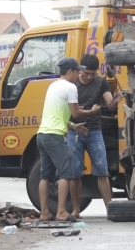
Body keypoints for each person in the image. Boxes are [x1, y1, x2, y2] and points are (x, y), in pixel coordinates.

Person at [37, 57, 100, 222]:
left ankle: (44, 213)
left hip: (42, 135)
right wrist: (92, 112)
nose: (78, 74)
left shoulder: (53, 86)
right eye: (77, 71)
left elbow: (58, 114)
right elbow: (76, 112)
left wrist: (74, 127)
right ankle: (61, 212)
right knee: (66, 174)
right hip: (55, 136)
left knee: (45, 176)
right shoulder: (71, 87)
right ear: (71, 71)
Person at [67, 54, 123, 219]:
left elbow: (110, 104)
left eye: (93, 73)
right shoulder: (71, 85)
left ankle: (110, 210)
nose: (90, 77)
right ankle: (76, 210)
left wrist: (117, 99)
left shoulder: (101, 82)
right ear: (80, 70)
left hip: (94, 131)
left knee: (102, 171)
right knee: (75, 173)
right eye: (87, 74)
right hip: (74, 132)